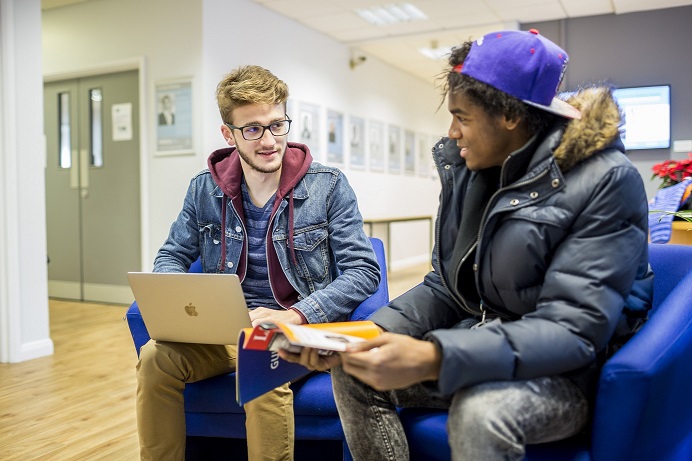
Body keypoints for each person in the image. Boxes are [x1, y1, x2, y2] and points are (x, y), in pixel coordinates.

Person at [280, 29, 653, 460]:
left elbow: (573, 331)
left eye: (463, 117)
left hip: (569, 375)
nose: (452, 131)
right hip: (485, 346)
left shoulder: (607, 180)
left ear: (510, 116)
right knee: (354, 372)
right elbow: (447, 286)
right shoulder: (472, 169)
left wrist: (436, 355)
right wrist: (367, 336)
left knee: (481, 411)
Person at [136, 65, 381, 461]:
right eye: (252, 129)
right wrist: (178, 298)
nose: (269, 141)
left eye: (277, 125)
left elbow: (364, 271)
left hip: (303, 331)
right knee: (154, 358)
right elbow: (172, 254)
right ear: (228, 134)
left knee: (259, 361)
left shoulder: (328, 185)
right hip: (229, 331)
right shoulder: (205, 188)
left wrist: (297, 315)